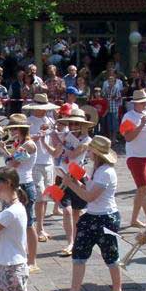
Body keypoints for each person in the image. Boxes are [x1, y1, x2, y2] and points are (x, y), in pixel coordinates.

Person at [53, 135, 126, 291]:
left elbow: (90, 197)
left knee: (111, 254)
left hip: (106, 217)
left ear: (96, 153)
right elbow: (87, 189)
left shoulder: (106, 172)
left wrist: (70, 184)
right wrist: (75, 180)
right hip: (93, 216)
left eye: (91, 150)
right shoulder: (97, 169)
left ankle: (118, 290)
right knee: (79, 251)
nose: (88, 153)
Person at [51, 107, 94, 257]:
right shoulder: (65, 135)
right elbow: (56, 154)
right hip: (62, 174)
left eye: (77, 124)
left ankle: (76, 240)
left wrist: (61, 141)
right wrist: (54, 138)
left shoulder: (88, 140)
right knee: (67, 210)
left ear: (83, 125)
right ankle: (70, 242)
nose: (73, 127)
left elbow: (74, 153)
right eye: (71, 124)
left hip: (77, 175)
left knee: (77, 210)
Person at [3, 114, 39, 270]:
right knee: (14, 223)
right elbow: (12, 161)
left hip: (25, 186)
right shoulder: (20, 143)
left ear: (21, 129)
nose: (11, 132)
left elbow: (13, 163)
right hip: (17, 184)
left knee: (29, 224)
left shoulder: (29, 145)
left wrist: (4, 154)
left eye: (13, 129)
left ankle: (32, 261)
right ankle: (20, 255)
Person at [122, 89, 146, 229]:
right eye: (142, 103)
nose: (145, 105)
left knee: (141, 190)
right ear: (135, 104)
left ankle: (134, 219)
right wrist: (141, 125)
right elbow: (128, 138)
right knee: (145, 189)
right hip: (135, 156)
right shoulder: (128, 116)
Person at [24, 94, 58, 242]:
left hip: (49, 161)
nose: (44, 111)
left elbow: (54, 139)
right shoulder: (28, 122)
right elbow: (23, 141)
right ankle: (38, 229)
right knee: (39, 197)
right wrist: (37, 137)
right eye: (41, 108)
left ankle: (41, 227)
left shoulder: (50, 120)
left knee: (45, 197)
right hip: (35, 162)